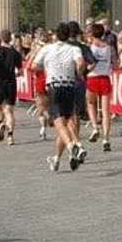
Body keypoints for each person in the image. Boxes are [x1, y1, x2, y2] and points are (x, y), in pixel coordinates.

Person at [31, 23, 86, 172]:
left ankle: (71, 146)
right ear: (69, 35)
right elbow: (80, 63)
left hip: (54, 86)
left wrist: (47, 66)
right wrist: (78, 72)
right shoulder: (74, 48)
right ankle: (59, 157)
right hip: (69, 85)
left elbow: (34, 66)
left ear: (55, 35)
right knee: (68, 121)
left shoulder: (47, 48)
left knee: (58, 122)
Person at [84, 23, 114, 152]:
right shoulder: (108, 47)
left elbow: (89, 65)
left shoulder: (91, 47)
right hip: (105, 78)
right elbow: (115, 62)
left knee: (90, 104)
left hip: (93, 77)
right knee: (106, 111)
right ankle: (106, 138)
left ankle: (95, 127)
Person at [0, 31, 22, 145]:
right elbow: (20, 71)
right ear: (10, 39)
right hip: (11, 82)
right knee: (9, 111)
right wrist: (16, 74)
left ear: (0, 39)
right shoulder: (15, 53)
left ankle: (0, 122)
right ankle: (10, 136)